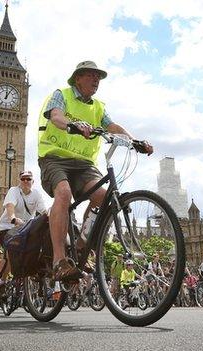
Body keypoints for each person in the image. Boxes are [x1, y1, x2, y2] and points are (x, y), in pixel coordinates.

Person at [38, 61, 153, 281]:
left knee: (102, 196)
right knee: (64, 193)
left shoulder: (98, 106)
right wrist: (74, 125)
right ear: (78, 78)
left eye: (98, 78)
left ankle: (81, 246)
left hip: (84, 165)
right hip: (55, 158)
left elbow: (113, 127)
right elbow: (56, 116)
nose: (96, 81)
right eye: (91, 76)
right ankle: (59, 261)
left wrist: (135, 140)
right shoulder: (61, 94)